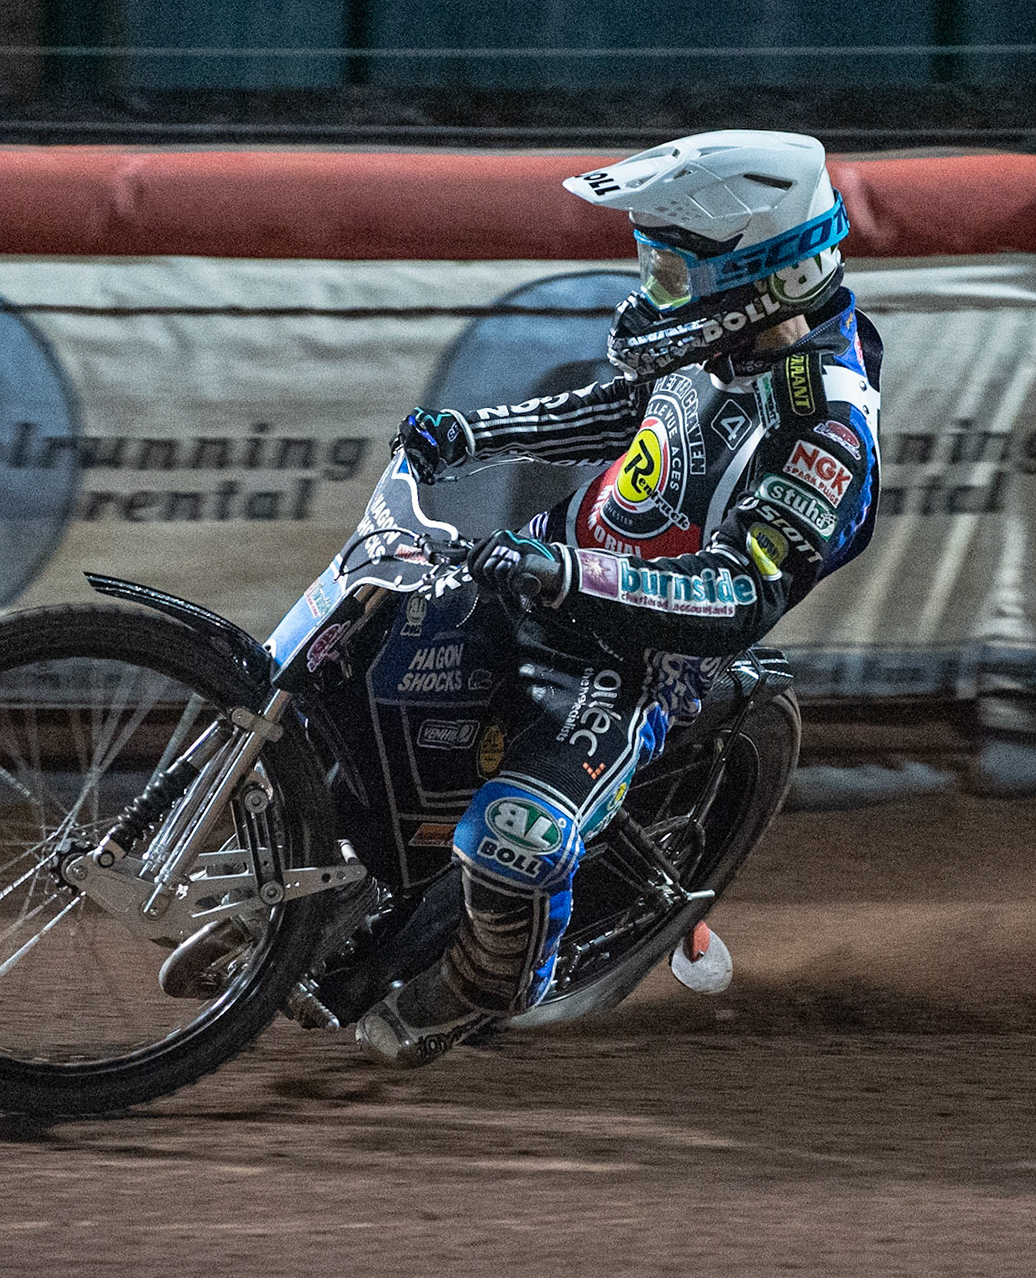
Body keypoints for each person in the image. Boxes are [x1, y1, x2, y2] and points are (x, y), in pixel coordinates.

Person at [354, 129, 883, 1068]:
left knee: (518, 837)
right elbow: (621, 410)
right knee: (359, 656)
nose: (654, 288)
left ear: (760, 275)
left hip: (633, 661)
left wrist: (572, 578)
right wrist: (475, 435)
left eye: (674, 269)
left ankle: (479, 982)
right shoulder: (724, 340)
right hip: (540, 570)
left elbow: (737, 596)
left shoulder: (828, 429)